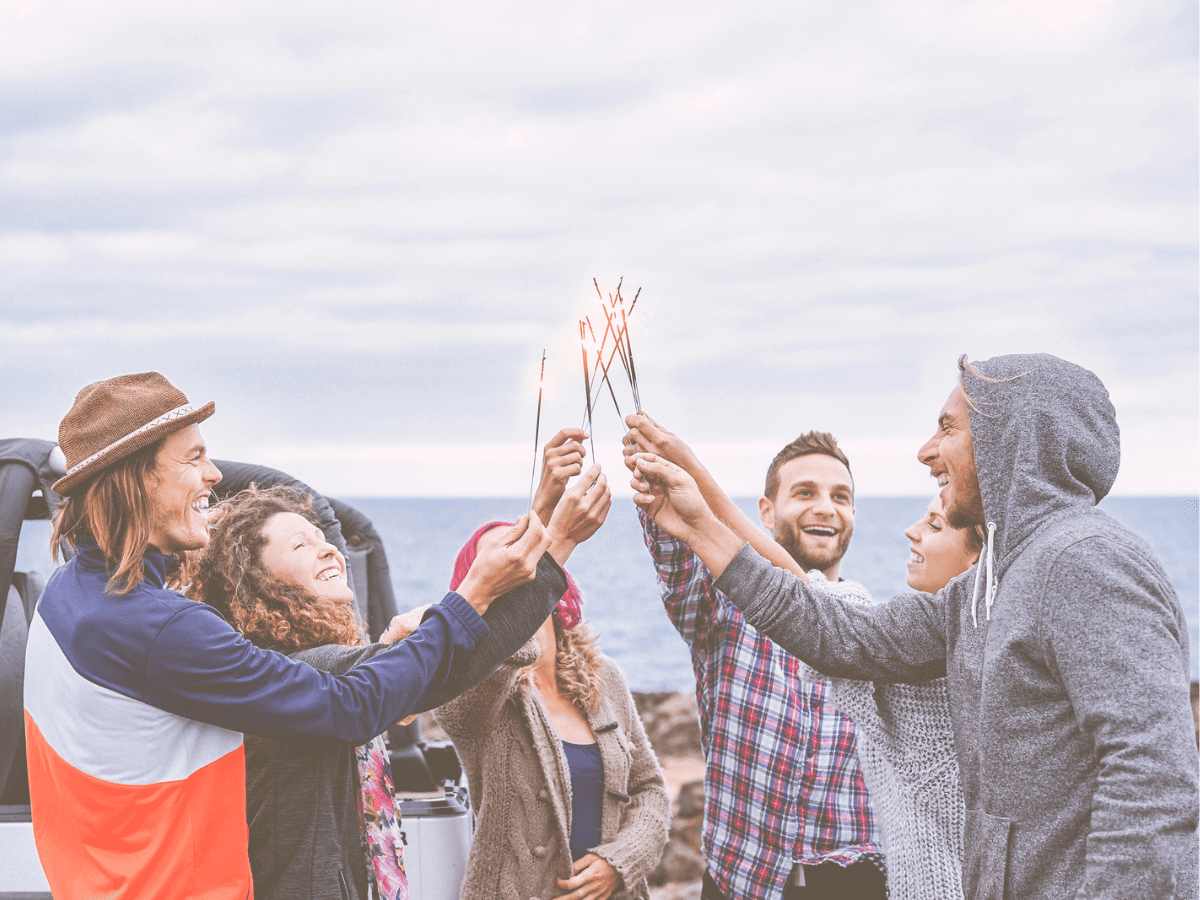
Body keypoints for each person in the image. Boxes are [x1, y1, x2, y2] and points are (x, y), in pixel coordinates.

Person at [629, 353, 1199, 900]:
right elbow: (839, 631)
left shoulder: (1087, 560)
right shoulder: (981, 589)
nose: (927, 451)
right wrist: (700, 524)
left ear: (1010, 438)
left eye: (947, 429)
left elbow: (1151, 779)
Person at [22, 371, 565, 900]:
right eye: (193, 457)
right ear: (135, 479)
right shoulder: (153, 626)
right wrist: (473, 595)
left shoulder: (65, 597)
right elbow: (349, 704)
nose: (213, 473)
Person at [187, 473, 609, 900]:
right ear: (257, 580)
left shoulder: (290, 667)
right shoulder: (298, 669)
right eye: (300, 545)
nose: (328, 548)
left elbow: (403, 670)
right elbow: (454, 666)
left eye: (321, 537)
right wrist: (557, 543)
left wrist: (400, 652)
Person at [621, 416, 883, 899]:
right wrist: (664, 471)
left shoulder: (873, 629)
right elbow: (676, 548)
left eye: (840, 496)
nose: (826, 507)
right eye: (804, 492)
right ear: (765, 510)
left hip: (856, 887)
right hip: (740, 885)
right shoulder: (722, 607)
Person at [435, 444, 670, 900]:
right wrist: (551, 525)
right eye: (496, 563)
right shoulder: (473, 683)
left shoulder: (606, 677)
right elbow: (499, 654)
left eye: (524, 554)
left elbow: (650, 791)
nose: (517, 563)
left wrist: (617, 863)